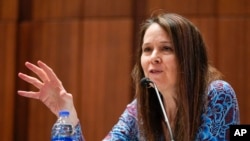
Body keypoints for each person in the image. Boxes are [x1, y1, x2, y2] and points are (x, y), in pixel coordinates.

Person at [18, 13, 240, 141]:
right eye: (147, 50)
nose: (153, 58)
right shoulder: (139, 110)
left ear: (189, 56)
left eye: (166, 49)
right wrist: (67, 114)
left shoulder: (217, 94)